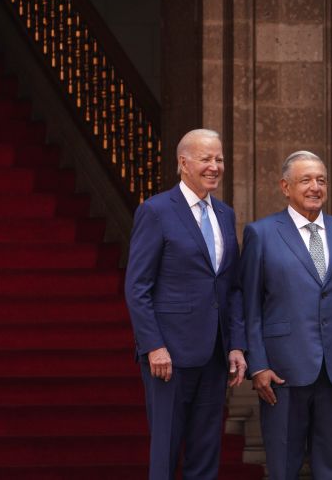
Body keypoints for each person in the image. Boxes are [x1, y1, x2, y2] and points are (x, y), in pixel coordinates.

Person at [238, 150, 332, 479]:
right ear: (285, 187)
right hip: (281, 373)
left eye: (321, 180)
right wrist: (258, 365)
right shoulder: (262, 233)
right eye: (306, 180)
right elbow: (250, 306)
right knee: (284, 466)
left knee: (331, 468)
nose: (315, 187)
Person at [124, 128, 247, 479]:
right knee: (165, 451)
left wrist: (236, 344)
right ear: (183, 162)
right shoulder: (157, 211)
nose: (214, 166)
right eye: (206, 158)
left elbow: (232, 286)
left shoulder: (225, 214)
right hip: (169, 356)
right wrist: (153, 346)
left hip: (215, 353)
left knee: (206, 452)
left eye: (219, 159)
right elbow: (138, 286)